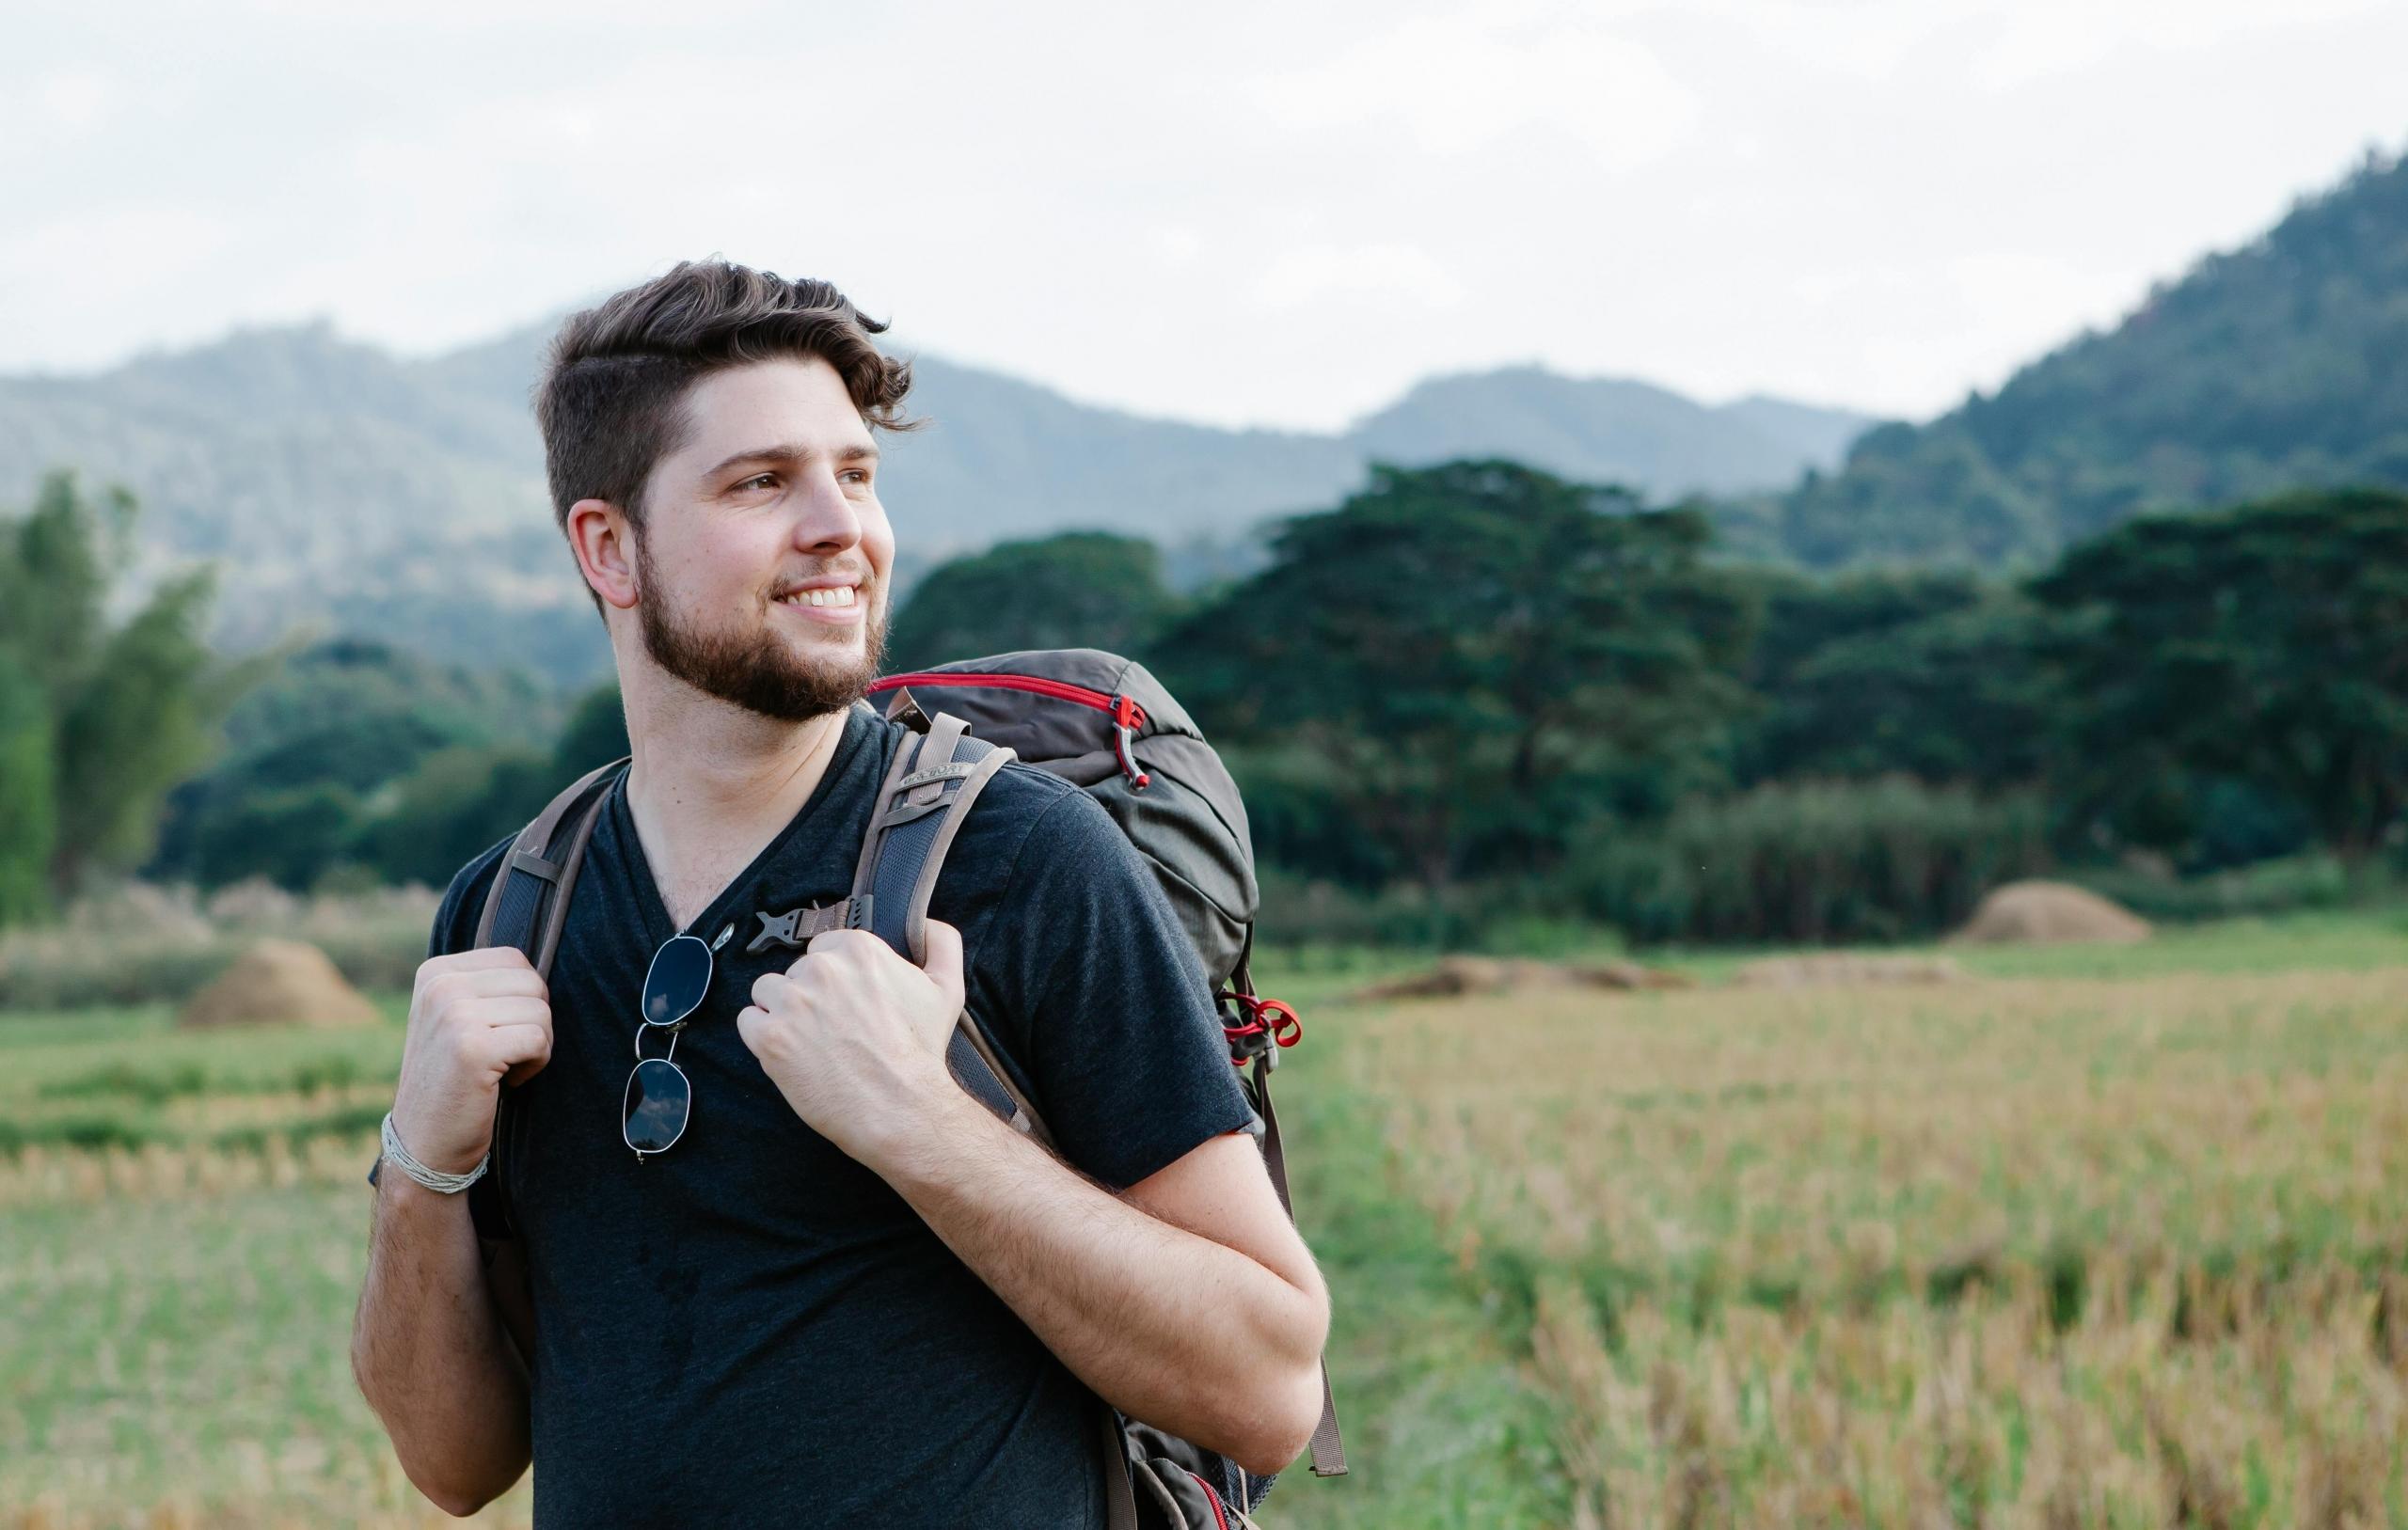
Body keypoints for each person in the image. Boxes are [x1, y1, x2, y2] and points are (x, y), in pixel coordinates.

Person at [348, 260, 1331, 1526]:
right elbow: (454, 1462)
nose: (841, 528)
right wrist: (420, 1161)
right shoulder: (510, 912)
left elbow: (1266, 1389)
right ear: (610, 549)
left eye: (855, 477)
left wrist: (920, 1125)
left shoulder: (1025, 863)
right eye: (762, 483)